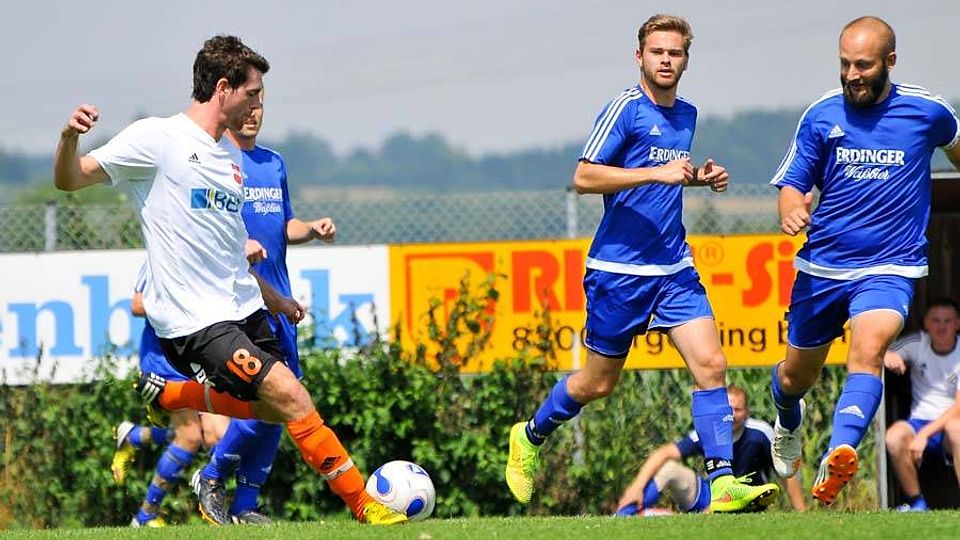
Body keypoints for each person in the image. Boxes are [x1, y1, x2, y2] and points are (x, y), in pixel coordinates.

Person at [53, 35, 405, 526]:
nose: (258, 104)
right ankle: (365, 507)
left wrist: (277, 300)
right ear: (223, 88)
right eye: (252, 93)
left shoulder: (227, 161)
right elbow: (70, 179)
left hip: (245, 308)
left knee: (273, 411)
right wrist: (69, 138)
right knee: (294, 397)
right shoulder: (158, 138)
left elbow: (231, 256)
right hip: (199, 322)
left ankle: (171, 395)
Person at [504, 14, 779, 513]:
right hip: (618, 272)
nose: (666, 60)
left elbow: (667, 178)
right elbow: (584, 177)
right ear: (640, 57)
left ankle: (722, 482)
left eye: (675, 53)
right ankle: (529, 434)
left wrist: (699, 178)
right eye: (657, 52)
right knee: (598, 383)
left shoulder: (687, 115)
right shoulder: (625, 109)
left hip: (673, 268)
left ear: (686, 60)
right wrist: (657, 172)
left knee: (712, 365)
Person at [767, 16, 960, 506]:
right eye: (845, 64)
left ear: (890, 61)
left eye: (863, 65)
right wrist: (790, 209)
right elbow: (793, 183)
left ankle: (841, 451)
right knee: (795, 377)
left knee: (869, 350)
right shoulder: (821, 115)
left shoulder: (928, 112)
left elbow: (956, 146)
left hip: (890, 266)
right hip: (823, 268)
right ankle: (787, 417)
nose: (852, 75)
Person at [189, 91, 339, 526]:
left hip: (281, 299)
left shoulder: (274, 163)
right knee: (270, 398)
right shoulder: (215, 162)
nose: (253, 113)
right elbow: (204, 224)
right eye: (247, 105)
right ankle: (211, 475)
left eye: (259, 106)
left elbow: (284, 223)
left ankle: (244, 506)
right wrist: (238, 245)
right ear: (231, 106)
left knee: (284, 405)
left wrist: (311, 228)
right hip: (243, 300)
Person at [112, 265, 231, 527]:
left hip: (200, 356)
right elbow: (137, 305)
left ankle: (135, 436)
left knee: (218, 436)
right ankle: (145, 516)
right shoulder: (161, 254)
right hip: (165, 360)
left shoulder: (207, 251)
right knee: (189, 437)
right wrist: (185, 304)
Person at [614, 386, 805, 516]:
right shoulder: (710, 432)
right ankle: (624, 514)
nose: (731, 415)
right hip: (711, 496)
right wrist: (636, 488)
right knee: (669, 469)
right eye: (727, 409)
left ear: (747, 411)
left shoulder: (760, 433)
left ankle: (703, 512)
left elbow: (785, 470)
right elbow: (663, 453)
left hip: (748, 500)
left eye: (737, 409)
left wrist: (801, 512)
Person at [883, 298, 960, 511]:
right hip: (919, 420)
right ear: (926, 323)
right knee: (894, 437)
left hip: (951, 422)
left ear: (957, 324)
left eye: (947, 321)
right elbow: (879, 352)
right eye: (936, 321)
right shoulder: (917, 343)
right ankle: (917, 504)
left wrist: (925, 434)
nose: (941, 327)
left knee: (957, 430)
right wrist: (889, 356)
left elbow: (958, 406)